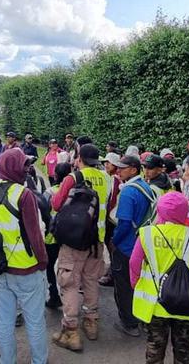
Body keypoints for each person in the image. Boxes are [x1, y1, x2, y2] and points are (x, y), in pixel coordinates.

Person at [0, 148, 48, 364]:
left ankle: (7, 360)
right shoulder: (23, 194)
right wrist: (43, 261)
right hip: (27, 269)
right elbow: (35, 235)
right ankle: (39, 361)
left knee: (5, 321)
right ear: (15, 167)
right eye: (24, 164)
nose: (27, 169)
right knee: (35, 321)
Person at [130, 192, 189, 364]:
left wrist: (136, 284)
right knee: (184, 349)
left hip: (155, 304)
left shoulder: (146, 233)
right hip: (187, 303)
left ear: (160, 210)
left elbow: (134, 263)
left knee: (155, 346)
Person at [51, 144, 108, 349]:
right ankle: (91, 322)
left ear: (79, 159)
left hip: (74, 240)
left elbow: (57, 204)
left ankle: (71, 331)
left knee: (70, 283)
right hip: (96, 240)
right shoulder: (108, 179)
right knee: (91, 280)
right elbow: (108, 207)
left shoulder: (73, 178)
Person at [110, 155, 156, 337]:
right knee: (139, 285)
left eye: (122, 168)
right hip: (142, 245)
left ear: (134, 170)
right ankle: (142, 318)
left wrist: (114, 241)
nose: (118, 170)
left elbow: (124, 223)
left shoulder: (129, 191)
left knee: (123, 286)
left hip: (127, 246)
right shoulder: (147, 188)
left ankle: (129, 323)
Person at [43, 162, 71, 309]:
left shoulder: (49, 192)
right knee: (69, 268)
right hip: (71, 237)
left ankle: (54, 296)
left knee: (49, 267)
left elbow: (42, 213)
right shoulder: (75, 191)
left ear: (55, 175)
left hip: (51, 236)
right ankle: (69, 299)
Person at [99, 152, 122, 287]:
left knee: (111, 246)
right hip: (107, 219)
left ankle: (113, 274)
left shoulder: (116, 181)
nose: (106, 165)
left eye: (109, 163)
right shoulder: (107, 178)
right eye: (105, 162)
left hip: (111, 220)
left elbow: (112, 200)